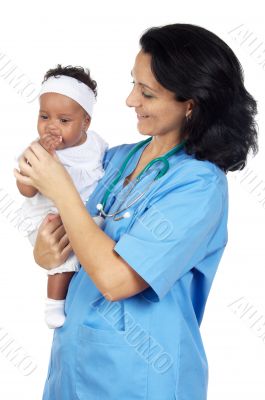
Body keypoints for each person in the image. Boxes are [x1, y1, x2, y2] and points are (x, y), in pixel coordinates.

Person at [14, 23, 258, 400]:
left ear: (190, 104)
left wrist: (61, 190)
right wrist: (45, 252)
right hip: (72, 368)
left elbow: (116, 280)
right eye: (132, 85)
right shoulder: (115, 159)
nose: (130, 101)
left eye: (146, 93)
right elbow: (74, 238)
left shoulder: (198, 186)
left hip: (141, 379)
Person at [15, 65, 108, 329]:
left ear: (86, 122)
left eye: (64, 121)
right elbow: (26, 189)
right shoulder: (38, 149)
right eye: (45, 117)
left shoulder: (97, 143)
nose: (52, 127)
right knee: (65, 257)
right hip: (50, 218)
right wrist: (36, 162)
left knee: (97, 236)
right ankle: (54, 302)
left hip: (84, 211)